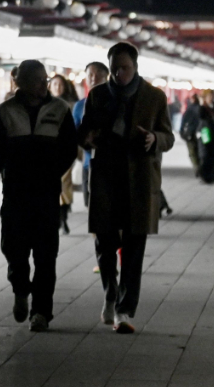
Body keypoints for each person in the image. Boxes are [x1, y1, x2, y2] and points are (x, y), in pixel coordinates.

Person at [77, 42, 174, 335]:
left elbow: (168, 136)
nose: (119, 74)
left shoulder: (154, 97)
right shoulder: (98, 95)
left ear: (135, 67)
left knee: (134, 247)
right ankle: (110, 293)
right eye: (115, 68)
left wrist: (154, 139)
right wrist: (88, 138)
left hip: (140, 180)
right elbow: (82, 132)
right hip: (106, 176)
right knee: (105, 243)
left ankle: (125, 309)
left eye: (125, 68)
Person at [0, 60, 78, 333]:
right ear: (21, 82)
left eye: (45, 79)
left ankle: (41, 312)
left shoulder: (59, 110)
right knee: (14, 248)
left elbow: (69, 148)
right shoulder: (5, 111)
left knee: (46, 254)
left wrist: (51, 173)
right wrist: (11, 171)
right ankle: (20, 287)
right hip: (15, 192)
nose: (43, 84)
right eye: (38, 80)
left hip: (47, 193)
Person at [74, 62, 110, 209]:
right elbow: (74, 132)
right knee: (91, 207)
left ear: (106, 77)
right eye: (90, 75)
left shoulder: (115, 102)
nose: (93, 78)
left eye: (98, 75)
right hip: (88, 164)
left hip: (111, 164)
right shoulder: (80, 106)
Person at [50, 75, 80, 234]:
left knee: (64, 184)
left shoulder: (72, 105)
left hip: (66, 150)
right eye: (54, 84)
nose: (57, 87)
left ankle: (63, 218)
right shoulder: (43, 103)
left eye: (60, 84)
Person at [179, 97, 203, 179]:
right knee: (200, 150)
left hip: (190, 134)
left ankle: (196, 167)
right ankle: (200, 166)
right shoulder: (202, 109)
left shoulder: (189, 110)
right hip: (201, 133)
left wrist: (182, 132)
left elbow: (184, 121)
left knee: (192, 152)